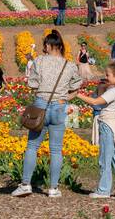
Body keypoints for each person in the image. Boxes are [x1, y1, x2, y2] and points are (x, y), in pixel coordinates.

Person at [12, 29, 82, 198]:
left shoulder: (39, 61)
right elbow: (78, 85)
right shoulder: (69, 64)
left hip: (41, 105)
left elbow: (33, 84)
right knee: (56, 150)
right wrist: (65, 96)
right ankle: (53, 188)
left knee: (32, 146)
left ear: (49, 45)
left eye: (45, 45)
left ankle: (26, 184)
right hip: (60, 107)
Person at [73, 60, 115, 199]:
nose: (106, 77)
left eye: (108, 75)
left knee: (105, 159)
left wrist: (76, 94)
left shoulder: (114, 91)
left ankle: (103, 190)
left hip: (108, 125)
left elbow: (95, 102)